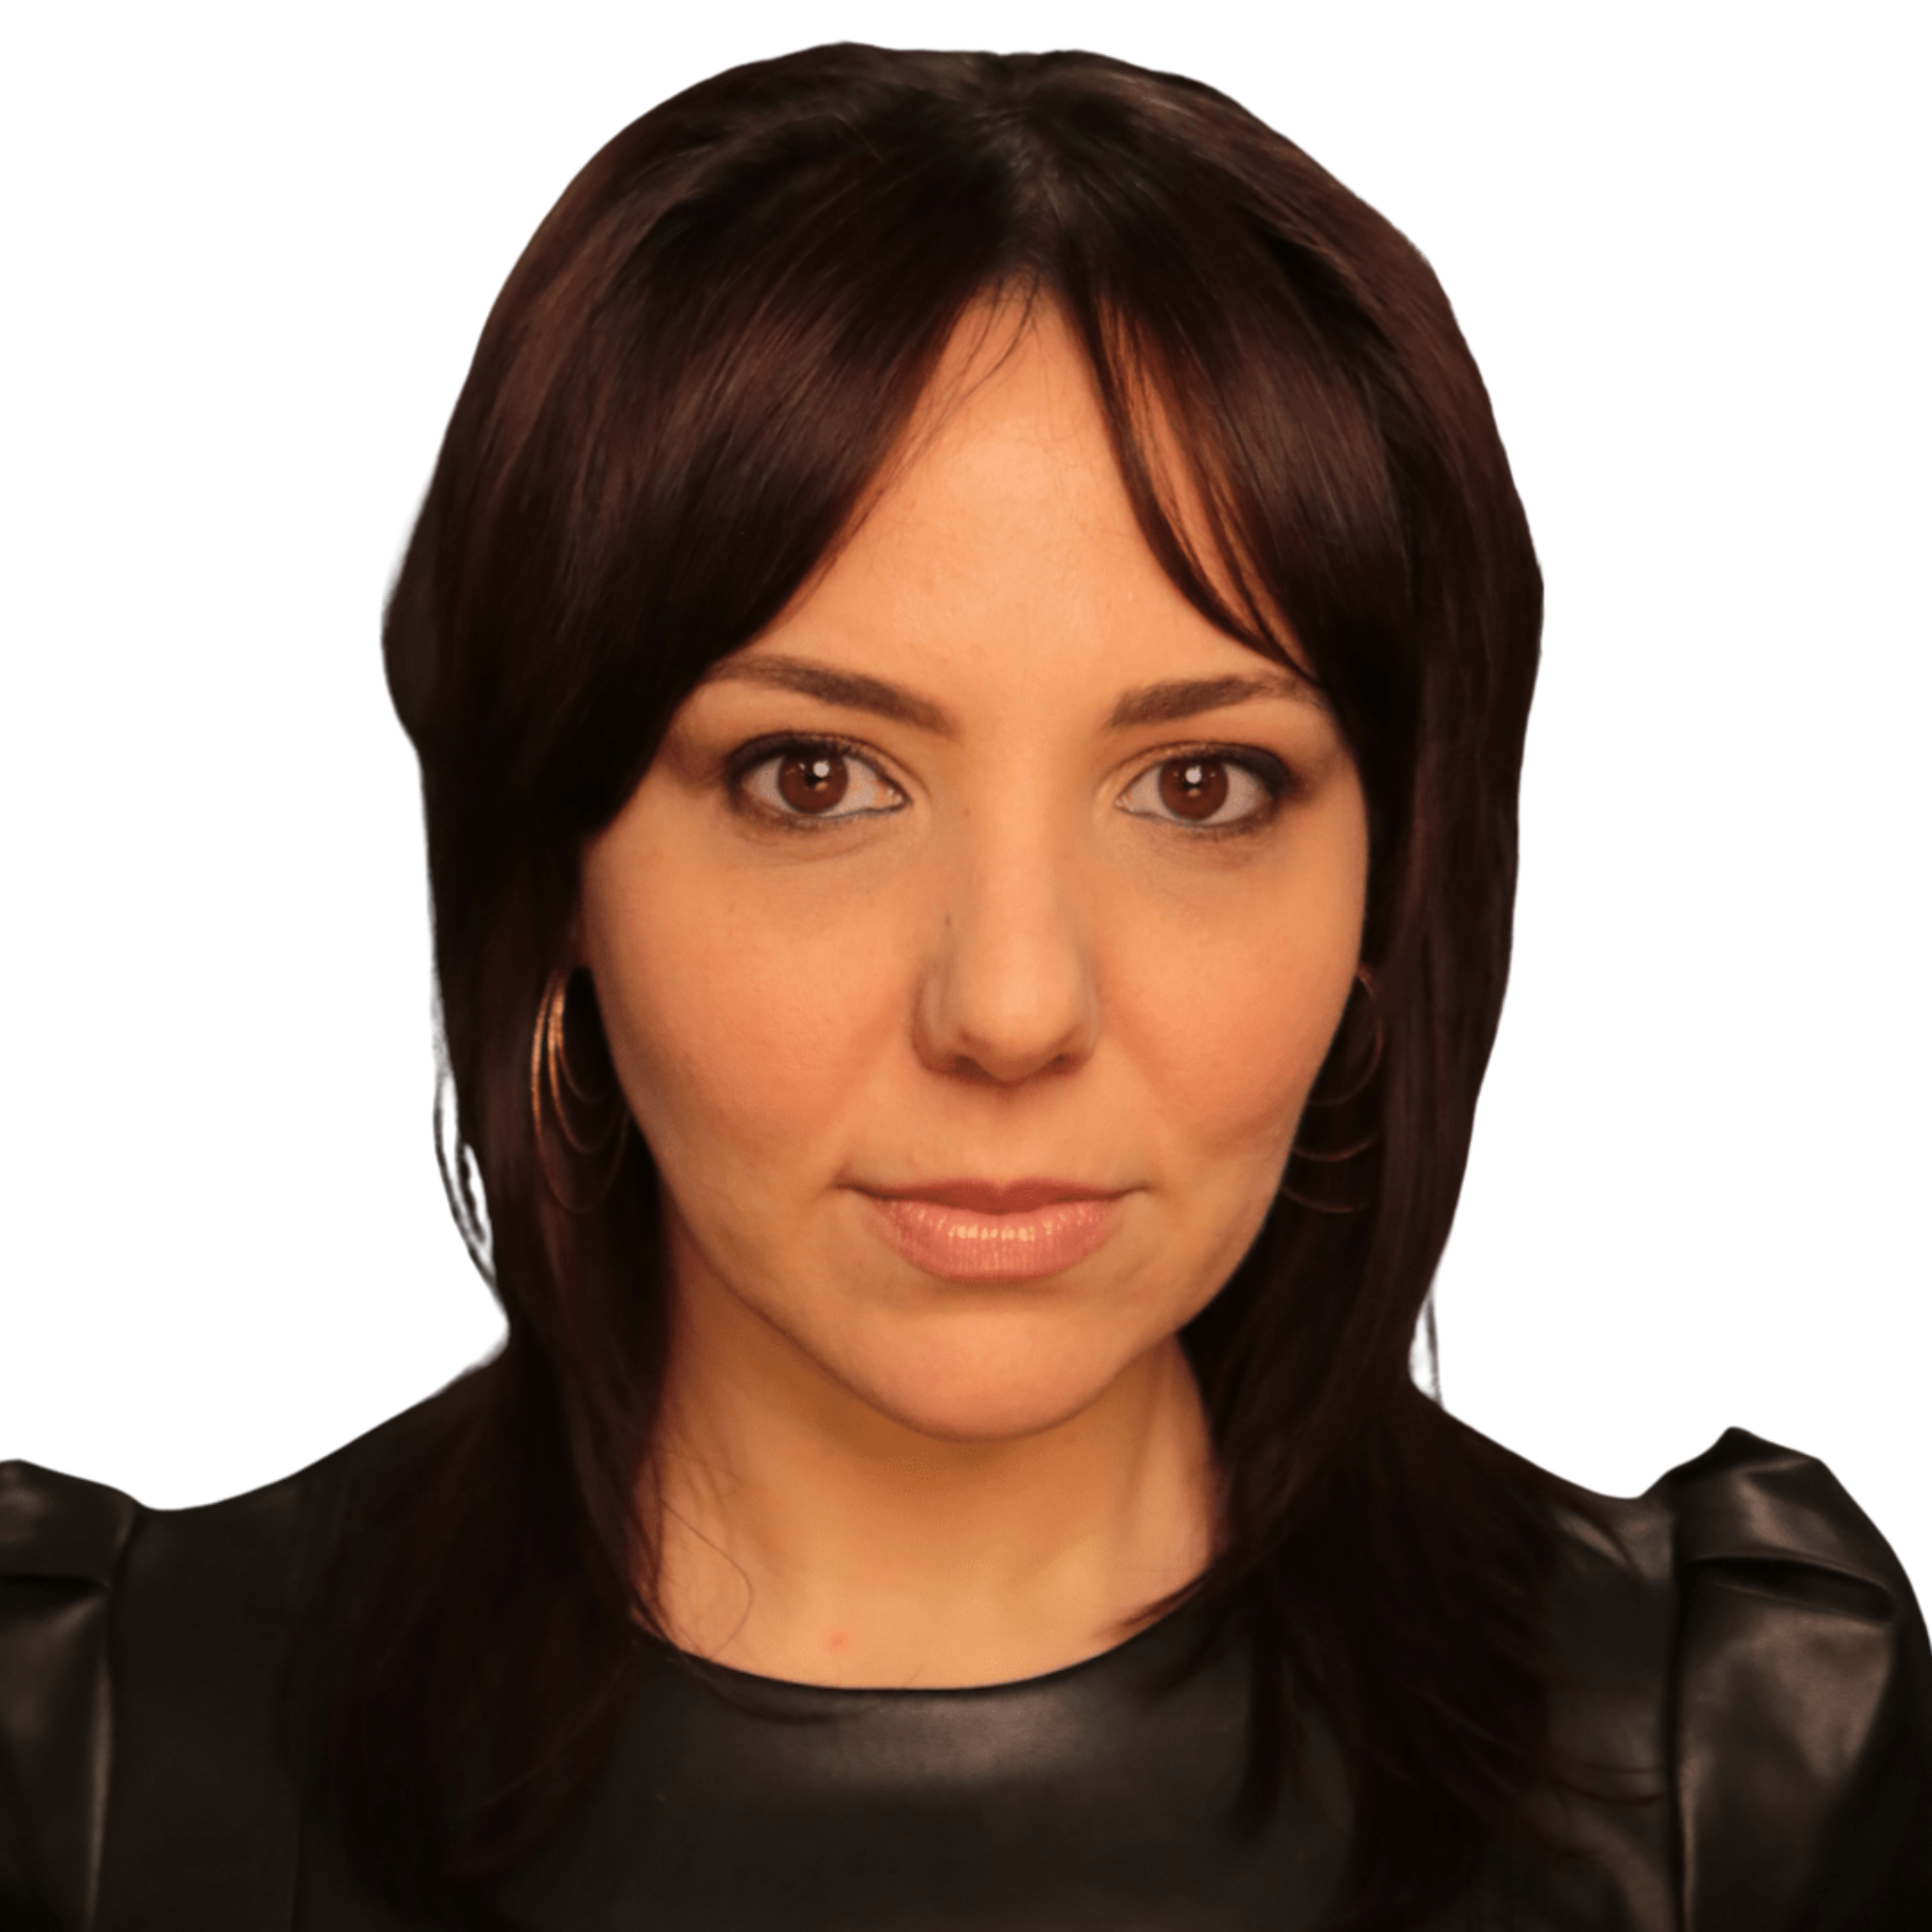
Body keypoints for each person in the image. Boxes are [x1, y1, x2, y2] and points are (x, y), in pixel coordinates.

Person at [4, 41, 1927, 1932]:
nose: (1010, 1010)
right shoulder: (95, 1758)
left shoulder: (1727, 1765)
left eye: (1200, 786)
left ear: (1386, 883)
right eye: (813, 778)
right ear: (558, 856)